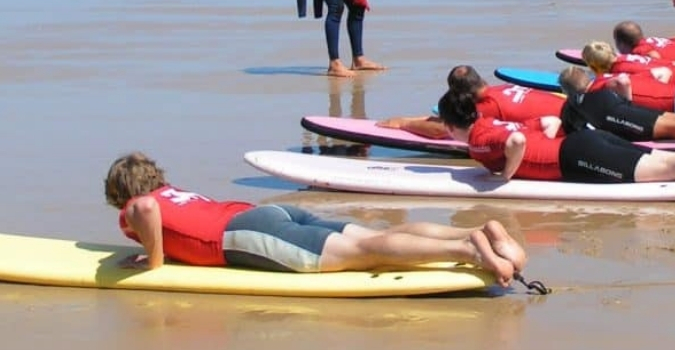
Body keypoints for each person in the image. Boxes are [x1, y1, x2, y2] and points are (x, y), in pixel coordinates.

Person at [104, 152, 524, 286]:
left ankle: (468, 249)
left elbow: (144, 210)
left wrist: (155, 263)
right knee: (376, 237)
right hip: (260, 215)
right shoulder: (174, 192)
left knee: (368, 252)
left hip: (245, 236)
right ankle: (475, 232)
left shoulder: (137, 206)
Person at [437, 91, 675, 192]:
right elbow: (543, 121)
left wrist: (505, 176)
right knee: (663, 159)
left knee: (669, 167)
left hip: (576, 158)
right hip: (583, 141)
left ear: (453, 125)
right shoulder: (487, 119)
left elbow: (515, 141)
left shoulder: (478, 141)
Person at [378, 65, 565, 138]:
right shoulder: (501, 88)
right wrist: (409, 117)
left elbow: (443, 130)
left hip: (567, 131)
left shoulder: (489, 106)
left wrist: (404, 123)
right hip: (578, 113)